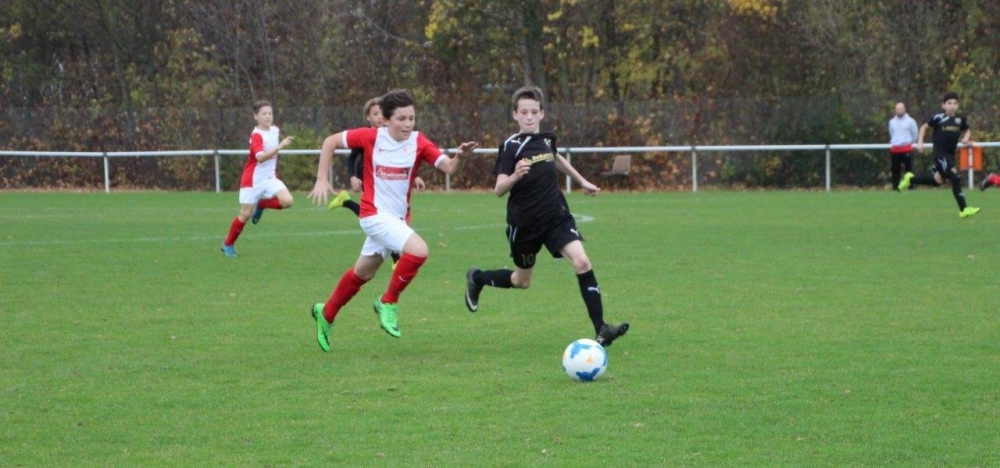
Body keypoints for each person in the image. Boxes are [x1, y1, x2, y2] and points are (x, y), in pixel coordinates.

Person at [306, 89, 478, 352]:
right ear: (386, 120)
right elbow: (330, 142)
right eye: (401, 118)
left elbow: (450, 168)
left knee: (363, 273)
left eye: (412, 118)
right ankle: (388, 302)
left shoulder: (419, 142)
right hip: (373, 215)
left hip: (396, 220)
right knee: (419, 250)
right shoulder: (371, 137)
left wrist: (461, 157)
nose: (408, 124)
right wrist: (321, 178)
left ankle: (325, 313)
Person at [463, 85, 629, 347]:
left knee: (582, 262)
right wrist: (516, 175)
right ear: (515, 115)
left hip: (556, 217)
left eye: (534, 112)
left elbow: (556, 157)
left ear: (541, 113)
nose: (529, 117)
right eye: (524, 112)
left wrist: (582, 181)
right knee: (521, 281)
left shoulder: (547, 139)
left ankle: (601, 329)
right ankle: (478, 278)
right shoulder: (511, 146)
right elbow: (498, 189)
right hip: (525, 225)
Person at [327, 97, 426, 268]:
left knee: (382, 216)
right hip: (370, 178)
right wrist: (353, 176)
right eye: (375, 114)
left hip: (386, 178)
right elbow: (351, 158)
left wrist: (414, 176)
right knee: (376, 215)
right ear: (368, 117)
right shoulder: (366, 136)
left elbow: (402, 160)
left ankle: (346, 201)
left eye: (381, 113)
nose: (379, 116)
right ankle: (396, 256)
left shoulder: (395, 134)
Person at [220, 100, 294, 257]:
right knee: (245, 214)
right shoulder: (256, 135)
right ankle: (228, 244)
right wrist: (279, 147)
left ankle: (262, 204)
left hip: (269, 178)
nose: (268, 116)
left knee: (287, 201)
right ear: (256, 116)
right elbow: (260, 158)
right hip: (253, 179)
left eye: (270, 113)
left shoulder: (275, 130)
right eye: (264, 113)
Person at [898, 91, 980, 218]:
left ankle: (910, 179)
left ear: (958, 105)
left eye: (955, 103)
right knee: (955, 178)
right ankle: (964, 209)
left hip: (950, 156)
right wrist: (920, 142)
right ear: (943, 105)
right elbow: (923, 128)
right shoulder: (938, 118)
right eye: (949, 103)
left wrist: (966, 138)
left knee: (937, 181)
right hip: (940, 155)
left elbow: (967, 130)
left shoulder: (960, 119)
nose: (952, 106)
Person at [888, 102, 918, 191]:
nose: (899, 111)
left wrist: (910, 143)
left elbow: (915, 134)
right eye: (898, 109)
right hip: (895, 149)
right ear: (895, 110)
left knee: (909, 170)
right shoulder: (892, 122)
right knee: (895, 170)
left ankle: (911, 187)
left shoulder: (910, 121)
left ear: (904, 109)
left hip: (906, 148)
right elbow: (892, 134)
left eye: (901, 109)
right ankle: (895, 188)